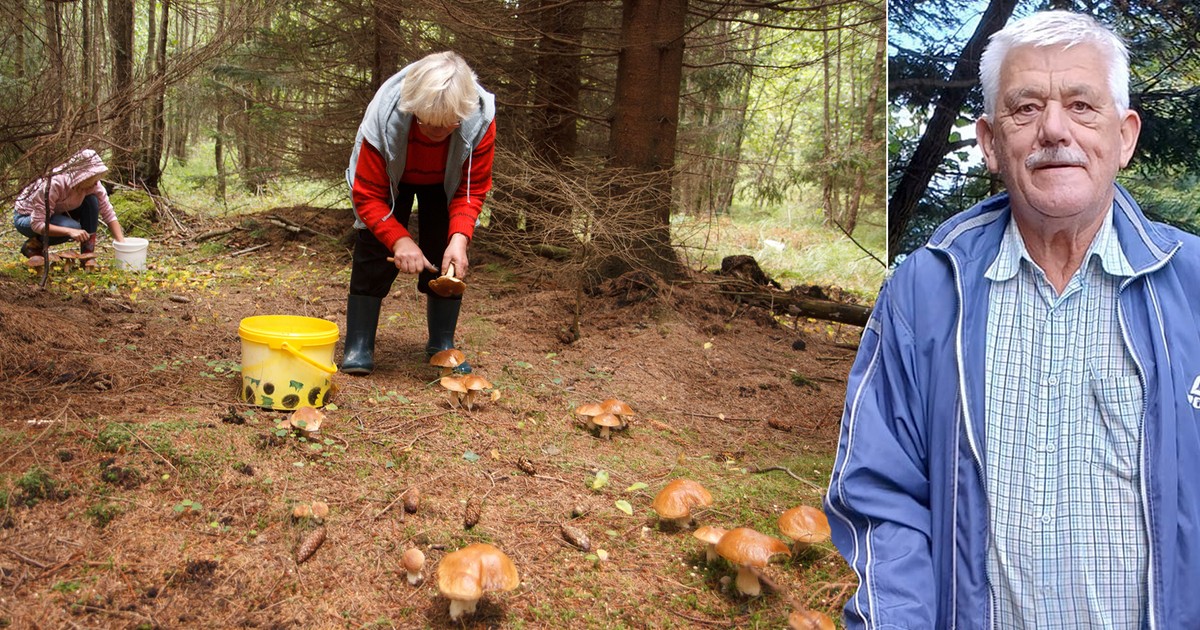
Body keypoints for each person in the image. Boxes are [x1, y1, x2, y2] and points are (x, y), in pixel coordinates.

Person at [826, 11, 1200, 628]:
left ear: (1125, 137)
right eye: (1025, 108)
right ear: (991, 143)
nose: (1054, 129)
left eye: (1082, 106)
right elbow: (882, 496)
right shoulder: (926, 291)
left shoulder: (1193, 288)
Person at [341, 51, 495, 376]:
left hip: (445, 183)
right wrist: (400, 241)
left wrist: (460, 239)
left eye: (448, 124)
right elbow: (367, 196)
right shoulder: (385, 117)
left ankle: (441, 342)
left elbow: (471, 189)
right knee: (373, 248)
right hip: (390, 180)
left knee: (446, 252)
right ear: (412, 109)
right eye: (428, 123)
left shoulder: (478, 118)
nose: (437, 131)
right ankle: (359, 342)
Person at [13, 149, 126, 269]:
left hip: (55, 213)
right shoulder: (54, 184)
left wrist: (122, 244)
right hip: (27, 218)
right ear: (83, 177)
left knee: (92, 201)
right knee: (72, 227)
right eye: (93, 178)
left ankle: (87, 257)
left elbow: (108, 213)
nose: (96, 183)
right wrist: (69, 231)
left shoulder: (93, 185)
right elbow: (37, 224)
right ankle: (34, 245)